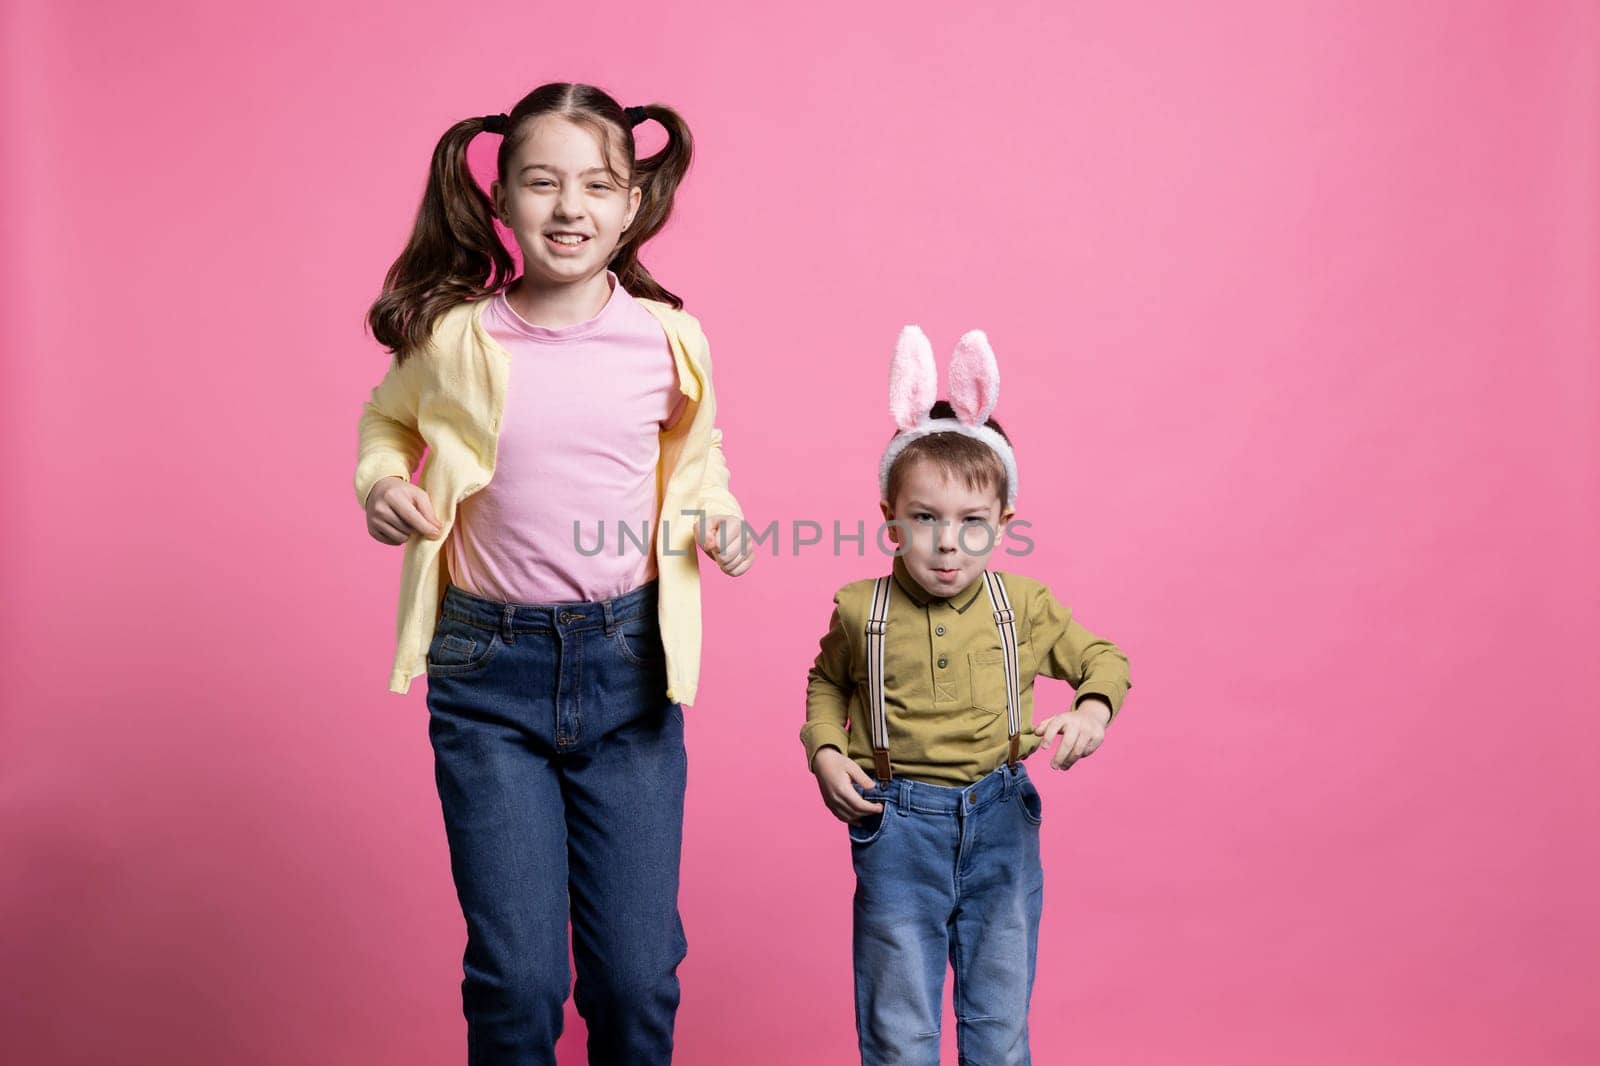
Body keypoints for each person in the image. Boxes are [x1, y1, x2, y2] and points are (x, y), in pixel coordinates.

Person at [354, 82, 754, 1065]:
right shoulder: (455, 338)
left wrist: (718, 519)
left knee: (633, 973)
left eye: (597, 186)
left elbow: (696, 464)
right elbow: (384, 423)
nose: (569, 207)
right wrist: (378, 486)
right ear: (501, 199)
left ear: (631, 205)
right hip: (487, 678)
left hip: (629, 674)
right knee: (520, 978)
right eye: (542, 182)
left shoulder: (667, 340)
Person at [803, 326, 1131, 1065]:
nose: (948, 544)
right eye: (925, 520)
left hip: (999, 825)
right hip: (897, 827)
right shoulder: (863, 608)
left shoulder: (1025, 604)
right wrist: (825, 751)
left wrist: (1091, 709)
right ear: (890, 517)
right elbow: (827, 682)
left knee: (997, 1023)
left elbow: (1102, 659)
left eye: (971, 524)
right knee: (899, 1028)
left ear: (1003, 526)